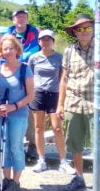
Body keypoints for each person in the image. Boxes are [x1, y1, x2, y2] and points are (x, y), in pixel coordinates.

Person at [57, 15, 100, 191]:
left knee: (99, 144)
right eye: (80, 29)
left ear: (93, 29)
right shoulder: (69, 51)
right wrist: (60, 104)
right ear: (74, 32)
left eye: (87, 28)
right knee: (74, 143)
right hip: (73, 103)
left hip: (96, 104)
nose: (84, 32)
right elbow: (64, 80)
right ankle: (78, 178)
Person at [0, 34, 34, 191]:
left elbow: (30, 95)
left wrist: (13, 106)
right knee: (3, 147)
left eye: (11, 48)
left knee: (15, 146)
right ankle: (6, 179)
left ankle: (16, 181)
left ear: (17, 50)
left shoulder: (24, 69)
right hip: (1, 114)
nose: (7, 51)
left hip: (19, 114)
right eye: (4, 48)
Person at [28, 30, 76, 175]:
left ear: (53, 41)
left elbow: (63, 79)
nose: (45, 42)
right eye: (43, 39)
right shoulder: (33, 58)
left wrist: (63, 99)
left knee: (57, 128)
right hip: (38, 94)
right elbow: (30, 78)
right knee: (38, 128)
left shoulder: (59, 58)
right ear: (39, 41)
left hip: (54, 94)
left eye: (48, 39)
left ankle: (63, 161)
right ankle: (41, 160)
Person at [7, 9, 41, 159]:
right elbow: (3, 51)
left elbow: (34, 51)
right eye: (18, 16)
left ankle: (32, 144)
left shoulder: (35, 33)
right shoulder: (8, 34)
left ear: (27, 19)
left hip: (30, 75)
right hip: (11, 75)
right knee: (12, 108)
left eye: (23, 17)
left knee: (29, 109)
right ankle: (15, 144)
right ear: (13, 19)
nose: (21, 19)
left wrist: (17, 58)